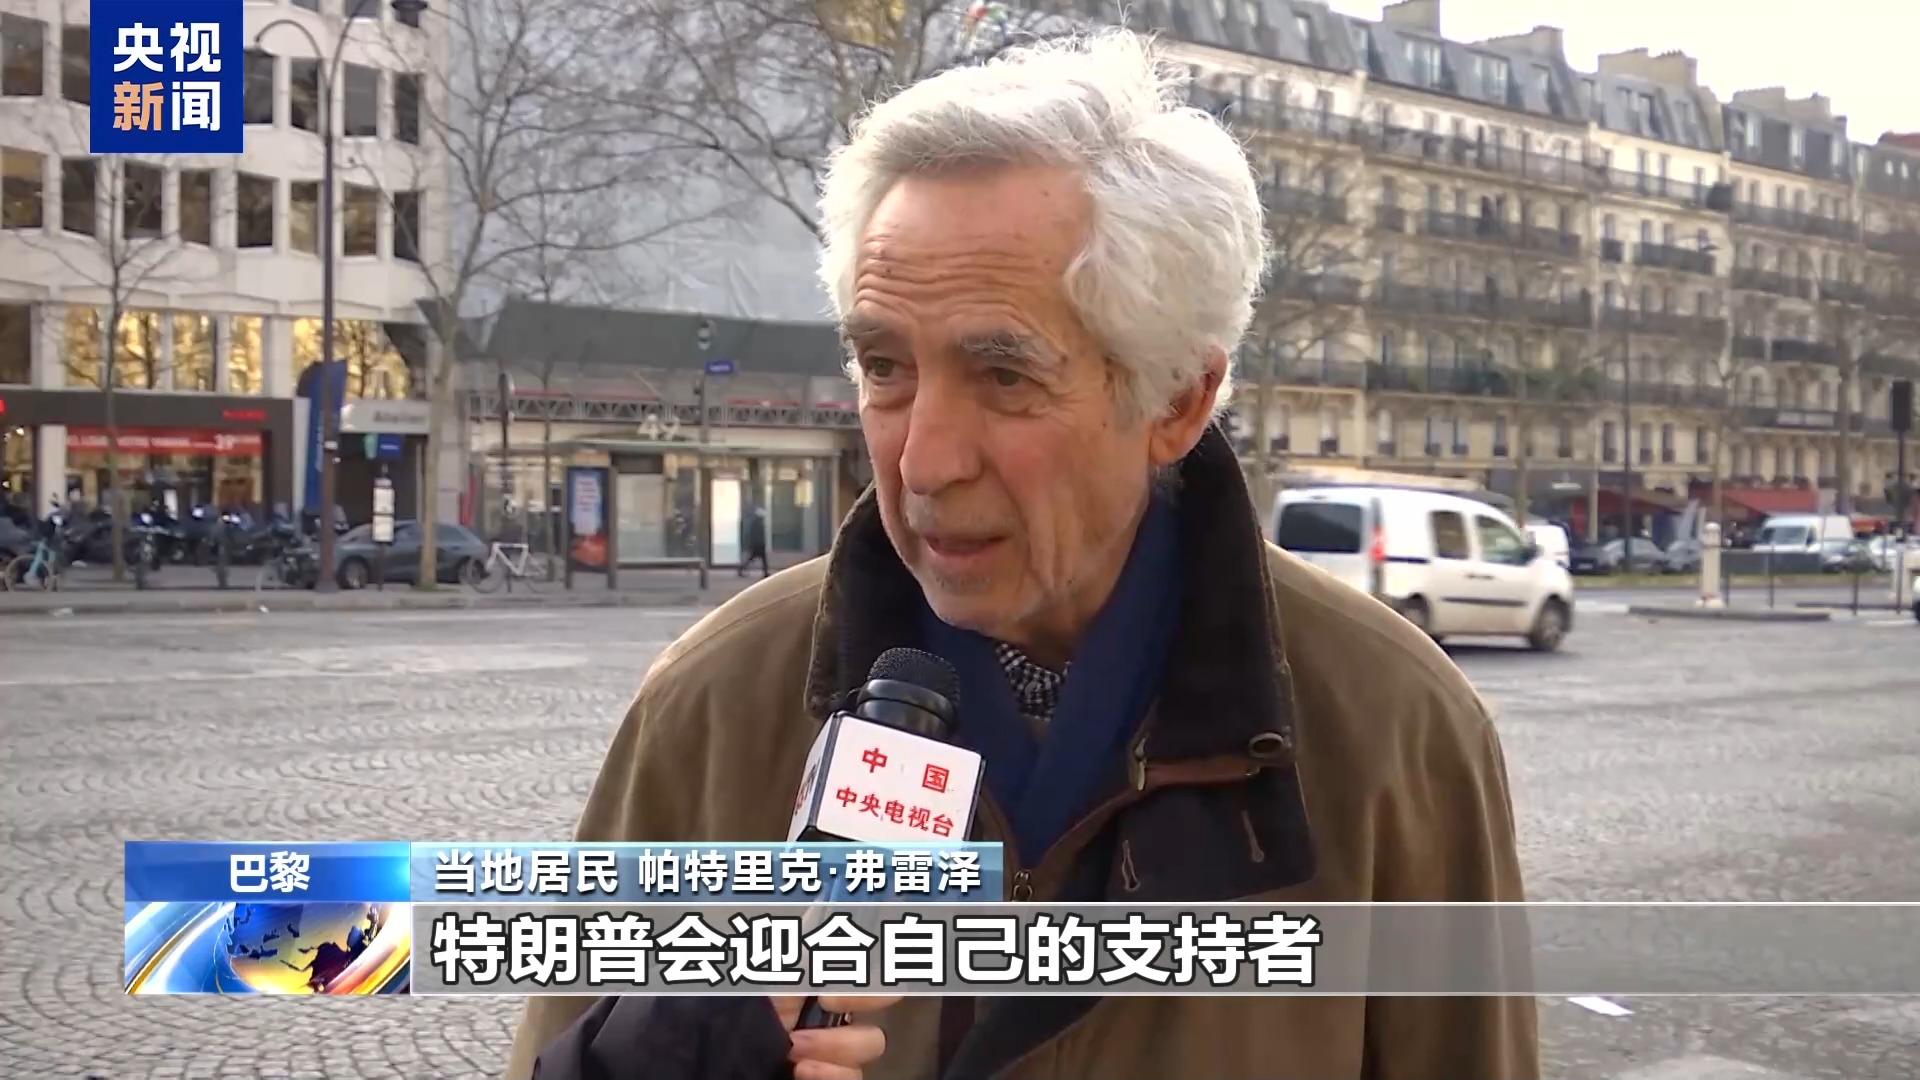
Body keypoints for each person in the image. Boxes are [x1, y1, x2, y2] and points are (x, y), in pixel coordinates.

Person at [509, 28, 1534, 1080]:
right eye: (885, 367)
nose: (924, 460)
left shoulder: (1396, 731)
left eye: (1004, 377)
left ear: (1176, 400)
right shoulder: (715, 706)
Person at [740, 505, 770, 578]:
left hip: (757, 544)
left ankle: (741, 569)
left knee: (754, 558)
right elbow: (758, 535)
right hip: (758, 544)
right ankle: (765, 572)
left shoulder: (755, 523)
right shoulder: (758, 523)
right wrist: (761, 542)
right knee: (760, 559)